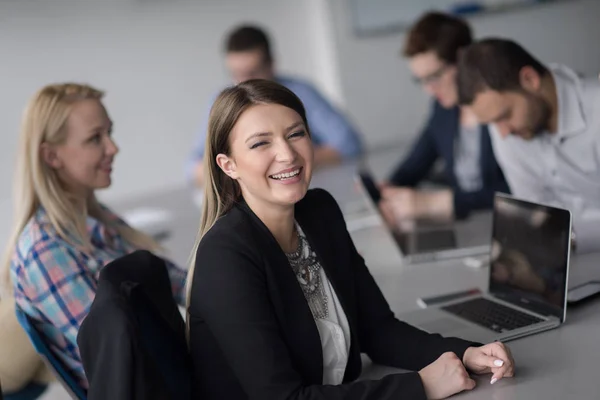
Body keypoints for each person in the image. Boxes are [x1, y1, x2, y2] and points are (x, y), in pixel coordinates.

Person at [185, 79, 514, 399]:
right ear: (228, 165)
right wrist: (421, 387)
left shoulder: (319, 211)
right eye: (261, 143)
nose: (287, 154)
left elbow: (377, 330)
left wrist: (466, 353)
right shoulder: (225, 255)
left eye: (296, 134)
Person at [0, 83, 187, 389]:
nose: (113, 148)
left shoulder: (95, 219)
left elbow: (175, 281)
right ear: (51, 156)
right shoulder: (45, 252)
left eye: (109, 133)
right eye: (94, 139)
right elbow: (125, 352)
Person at [456, 38, 600, 253]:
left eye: (504, 116)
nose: (503, 133)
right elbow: (535, 212)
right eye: (493, 123)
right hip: (571, 262)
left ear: (530, 79)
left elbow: (551, 230)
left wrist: (567, 237)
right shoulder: (505, 128)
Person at [185, 25, 363, 187]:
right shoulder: (220, 102)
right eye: (236, 74)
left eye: (295, 134)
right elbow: (194, 167)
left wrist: (289, 164)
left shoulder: (300, 92)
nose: (244, 83)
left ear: (271, 64)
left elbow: (348, 143)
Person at [380, 12, 509, 224]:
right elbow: (416, 162)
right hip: (473, 226)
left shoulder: (500, 108)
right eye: (421, 80)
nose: (429, 90)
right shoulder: (444, 109)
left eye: (434, 77)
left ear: (462, 59)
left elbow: (520, 188)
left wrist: (443, 203)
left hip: (501, 225)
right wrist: (388, 189)